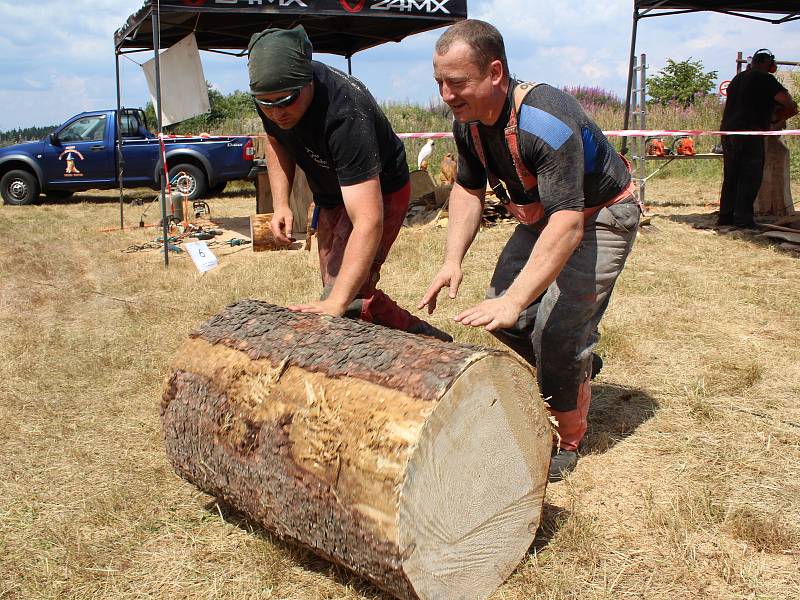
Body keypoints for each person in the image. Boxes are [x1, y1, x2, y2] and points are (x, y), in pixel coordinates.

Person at [419, 20, 641, 482]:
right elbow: (466, 187)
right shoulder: (469, 123)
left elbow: (567, 224)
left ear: (495, 72)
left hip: (600, 215)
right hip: (549, 215)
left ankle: (566, 436)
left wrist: (517, 296)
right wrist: (451, 260)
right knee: (509, 317)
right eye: (439, 82)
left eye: (457, 83)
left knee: (554, 330)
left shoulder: (545, 119)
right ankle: (575, 365)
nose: (446, 95)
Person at [248, 26, 451, 341]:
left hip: (382, 188)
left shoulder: (345, 112)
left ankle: (428, 342)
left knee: (345, 295)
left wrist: (338, 302)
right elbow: (275, 141)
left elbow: (368, 220)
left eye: (286, 101)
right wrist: (282, 204)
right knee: (341, 290)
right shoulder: (271, 95)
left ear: (308, 81)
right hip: (332, 193)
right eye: (266, 103)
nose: (277, 112)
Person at [719, 49, 797, 228]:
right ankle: (743, 219)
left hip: (728, 131)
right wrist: (780, 115)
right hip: (750, 131)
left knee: (732, 176)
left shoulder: (738, 79)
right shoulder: (765, 78)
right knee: (750, 176)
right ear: (767, 63)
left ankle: (726, 216)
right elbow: (786, 100)